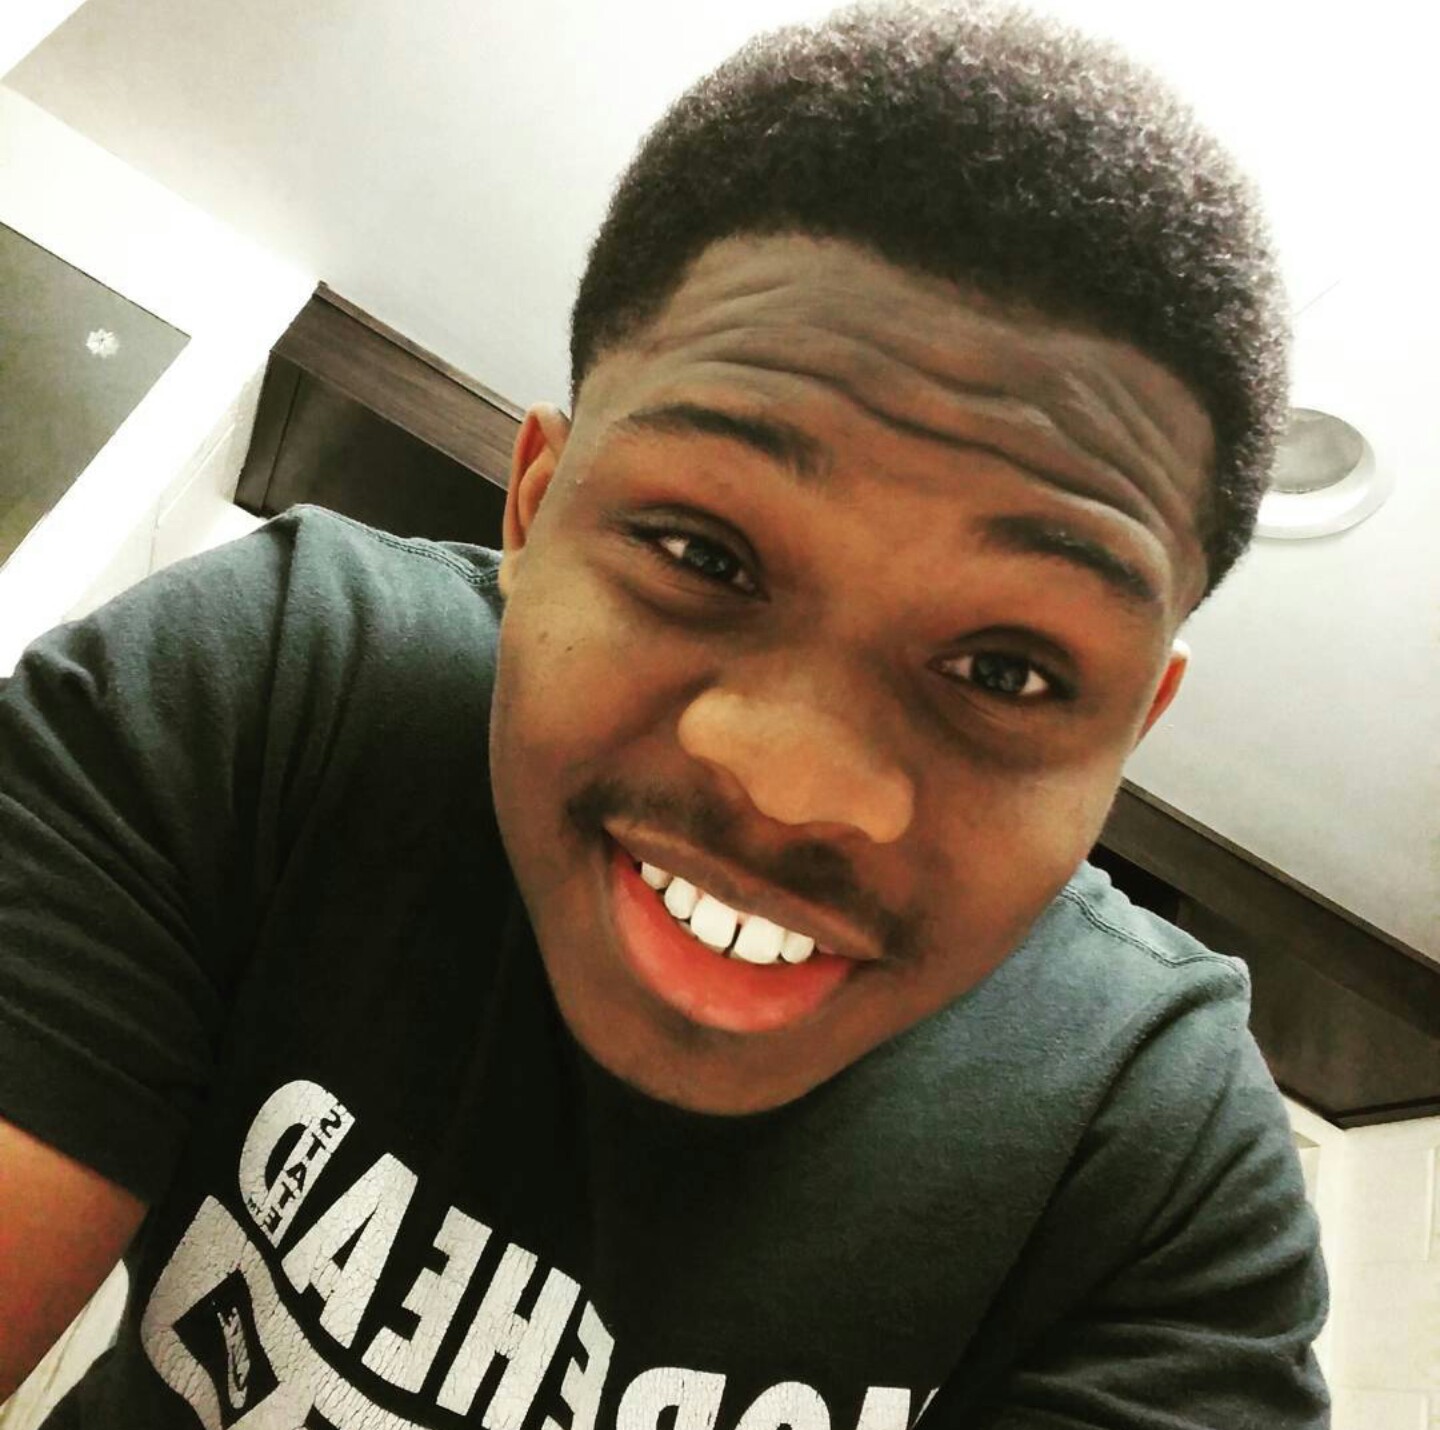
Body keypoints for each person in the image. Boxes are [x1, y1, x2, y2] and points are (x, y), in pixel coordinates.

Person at [0, 3, 1329, 1426]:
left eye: (1008, 672)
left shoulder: (1149, 1158)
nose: (800, 779)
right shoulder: (278, 690)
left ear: (1131, 729)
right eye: (703, 553)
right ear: (532, 509)